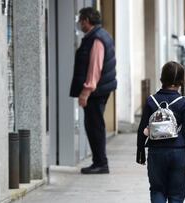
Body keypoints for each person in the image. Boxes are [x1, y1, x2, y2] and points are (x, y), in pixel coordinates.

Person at [136, 61, 185, 203]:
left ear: (162, 78)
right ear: (182, 81)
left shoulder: (151, 100)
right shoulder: (184, 102)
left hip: (156, 152)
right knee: (176, 195)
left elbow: (141, 129)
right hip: (179, 153)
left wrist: (140, 154)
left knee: (157, 190)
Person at [70, 7, 117, 174]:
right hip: (100, 89)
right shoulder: (100, 35)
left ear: (87, 21)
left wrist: (86, 91)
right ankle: (99, 162)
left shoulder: (96, 39)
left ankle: (101, 163)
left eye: (81, 20)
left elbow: (94, 68)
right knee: (94, 125)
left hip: (96, 92)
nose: (79, 24)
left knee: (94, 126)